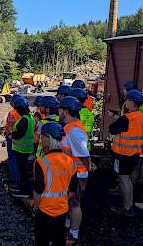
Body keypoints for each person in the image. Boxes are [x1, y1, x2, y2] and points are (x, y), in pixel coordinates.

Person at [33, 122, 78, 246]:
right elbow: (72, 189)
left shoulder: (41, 162)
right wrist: (61, 199)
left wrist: (36, 207)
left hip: (44, 210)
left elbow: (38, 190)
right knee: (59, 239)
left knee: (42, 241)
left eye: (42, 137)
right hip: (62, 209)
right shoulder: (70, 162)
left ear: (48, 137)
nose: (41, 140)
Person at [59, 96, 92, 245]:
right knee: (71, 202)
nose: (58, 111)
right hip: (72, 173)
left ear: (65, 111)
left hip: (77, 174)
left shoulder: (74, 131)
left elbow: (83, 154)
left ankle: (73, 234)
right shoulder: (70, 128)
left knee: (74, 204)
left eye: (60, 109)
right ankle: (68, 225)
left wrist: (89, 167)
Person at [109, 89, 143, 217]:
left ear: (132, 102)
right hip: (135, 154)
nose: (125, 102)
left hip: (123, 155)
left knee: (124, 180)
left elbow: (112, 129)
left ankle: (127, 207)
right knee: (127, 180)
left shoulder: (127, 118)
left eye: (127, 100)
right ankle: (129, 204)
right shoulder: (141, 116)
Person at [10, 96, 35, 198]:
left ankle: (24, 190)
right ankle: (23, 187)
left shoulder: (24, 120)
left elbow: (19, 134)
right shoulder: (30, 117)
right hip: (27, 148)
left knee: (22, 171)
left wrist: (11, 135)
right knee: (23, 170)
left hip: (21, 149)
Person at [4, 94, 22, 192]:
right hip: (22, 139)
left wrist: (7, 134)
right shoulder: (26, 114)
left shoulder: (12, 113)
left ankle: (14, 179)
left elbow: (9, 126)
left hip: (12, 138)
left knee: (12, 159)